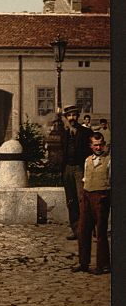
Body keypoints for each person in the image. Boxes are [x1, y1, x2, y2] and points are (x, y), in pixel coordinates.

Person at [72, 132, 110, 275]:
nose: (98, 147)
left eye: (100, 144)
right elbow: (85, 179)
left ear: (104, 145)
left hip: (101, 197)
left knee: (100, 232)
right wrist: (83, 197)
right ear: (91, 146)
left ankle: (103, 265)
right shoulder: (87, 160)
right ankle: (83, 263)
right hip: (87, 197)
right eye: (95, 144)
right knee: (83, 231)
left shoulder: (109, 160)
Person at [60, 105, 95, 240]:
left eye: (74, 115)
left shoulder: (86, 132)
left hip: (80, 169)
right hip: (67, 169)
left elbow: (91, 152)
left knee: (83, 200)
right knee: (71, 200)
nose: (72, 118)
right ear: (66, 118)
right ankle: (76, 230)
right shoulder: (64, 132)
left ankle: (88, 229)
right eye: (69, 115)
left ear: (78, 116)